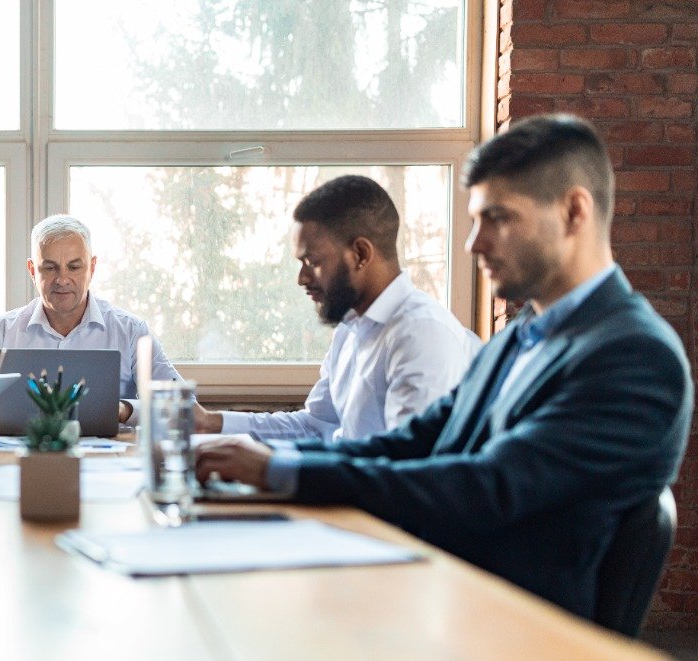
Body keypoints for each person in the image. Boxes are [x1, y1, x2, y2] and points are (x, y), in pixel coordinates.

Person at [195, 114, 691, 619]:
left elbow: (487, 488)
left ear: (573, 211)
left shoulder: (634, 356)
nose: (474, 243)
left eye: (496, 218)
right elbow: (412, 442)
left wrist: (283, 469)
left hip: (503, 625)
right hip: (442, 592)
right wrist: (272, 468)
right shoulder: (520, 337)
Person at [194, 175, 481, 440]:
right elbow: (314, 427)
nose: (302, 279)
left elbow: (407, 470)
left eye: (313, 262)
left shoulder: (421, 334)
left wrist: (273, 470)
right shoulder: (350, 330)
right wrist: (211, 423)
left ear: (360, 254)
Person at [0, 214, 182, 423]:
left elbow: (181, 404)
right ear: (32, 271)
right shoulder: (0, 332)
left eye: (74, 267)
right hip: (20, 459)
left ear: (92, 268)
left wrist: (125, 410)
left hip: (109, 461)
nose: (62, 279)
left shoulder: (131, 331)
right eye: (50, 267)